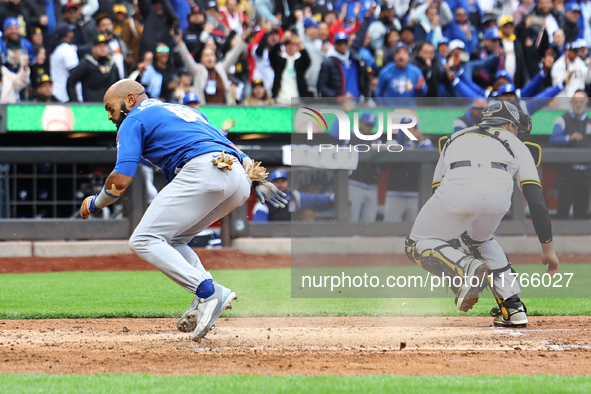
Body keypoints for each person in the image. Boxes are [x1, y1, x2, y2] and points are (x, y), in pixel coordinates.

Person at [79, 79, 287, 342]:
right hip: (238, 179)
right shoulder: (184, 110)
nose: (110, 116)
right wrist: (257, 179)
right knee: (174, 239)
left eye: (111, 109)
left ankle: (208, 291)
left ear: (130, 100)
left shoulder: (134, 119)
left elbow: (121, 179)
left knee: (143, 240)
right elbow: (229, 145)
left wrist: (95, 203)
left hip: (203, 171)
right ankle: (204, 300)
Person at [405, 100, 560, 327]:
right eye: (516, 127)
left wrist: (452, 253)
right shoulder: (516, 143)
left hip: (457, 188)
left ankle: (465, 266)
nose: (517, 131)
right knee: (480, 240)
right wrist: (548, 250)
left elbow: (437, 190)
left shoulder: (455, 137)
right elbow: (537, 202)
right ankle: (512, 306)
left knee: (415, 244)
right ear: (509, 125)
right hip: (499, 196)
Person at [550, 90, 591, 219]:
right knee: (563, 207)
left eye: (581, 102)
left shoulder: (589, 121)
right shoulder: (562, 119)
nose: (578, 105)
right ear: (571, 103)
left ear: (586, 103)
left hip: (586, 171)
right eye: (576, 102)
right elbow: (553, 140)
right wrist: (568, 138)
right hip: (568, 170)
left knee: (582, 208)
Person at [251, 169, 334, 221]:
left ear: (287, 182)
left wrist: (333, 197)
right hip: (274, 240)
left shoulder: (294, 196)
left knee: (308, 213)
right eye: (277, 182)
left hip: (294, 238)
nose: (280, 184)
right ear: (271, 184)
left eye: (283, 181)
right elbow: (260, 229)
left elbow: (315, 199)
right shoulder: (263, 203)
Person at [66, 34, 120, 102]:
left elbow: (119, 85)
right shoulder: (86, 63)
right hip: (91, 106)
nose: (103, 49)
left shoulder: (112, 64)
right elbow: (71, 82)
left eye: (105, 46)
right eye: (99, 46)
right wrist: (75, 101)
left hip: (110, 106)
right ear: (93, 48)